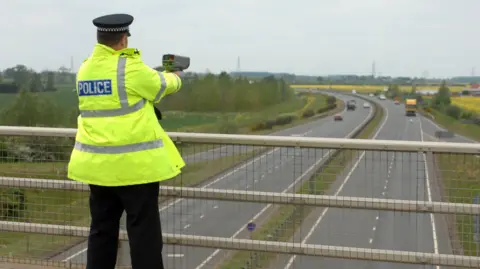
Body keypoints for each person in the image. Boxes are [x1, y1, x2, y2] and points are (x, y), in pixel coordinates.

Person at [67, 13, 185, 269]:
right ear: (123, 39)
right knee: (143, 234)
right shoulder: (128, 67)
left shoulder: (85, 69)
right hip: (135, 169)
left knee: (101, 231)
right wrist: (175, 75)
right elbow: (160, 85)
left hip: (97, 167)